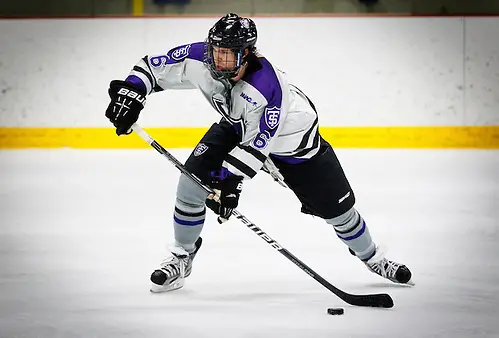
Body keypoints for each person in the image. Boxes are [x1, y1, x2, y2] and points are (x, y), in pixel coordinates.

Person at [105, 13, 413, 293]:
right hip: (236, 127)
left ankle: (373, 257)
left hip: (294, 149)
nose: (220, 60)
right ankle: (181, 258)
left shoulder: (266, 88)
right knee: (190, 187)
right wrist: (132, 94)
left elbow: (257, 147)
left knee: (340, 213)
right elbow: (150, 67)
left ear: (247, 54)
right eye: (217, 51)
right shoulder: (201, 56)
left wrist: (228, 183)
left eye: (229, 54)